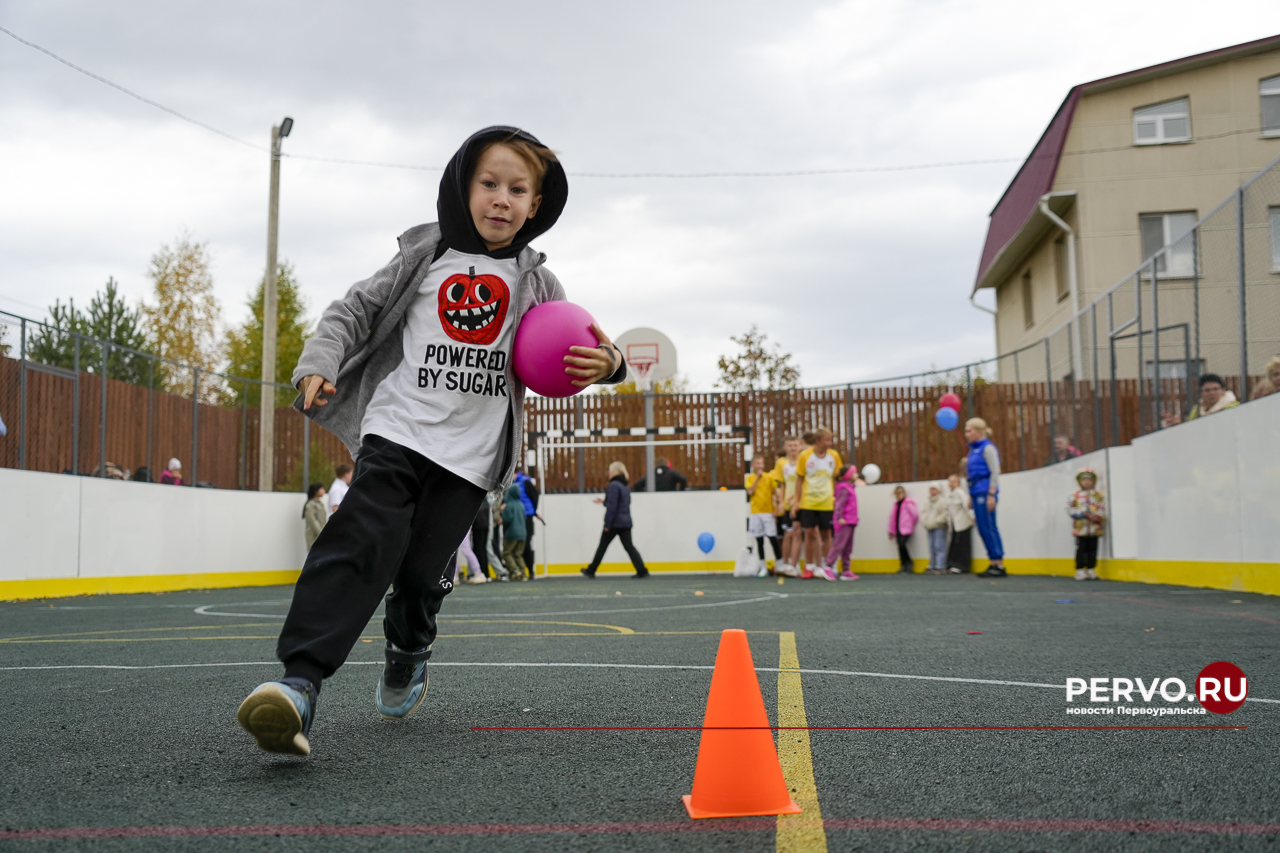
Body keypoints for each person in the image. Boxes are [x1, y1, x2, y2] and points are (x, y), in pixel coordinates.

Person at [235, 127, 627, 756]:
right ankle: (300, 683)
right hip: (397, 429)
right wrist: (320, 359)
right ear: (462, 187)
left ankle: (409, 647)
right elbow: (352, 310)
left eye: (517, 189)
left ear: (535, 205)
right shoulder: (425, 255)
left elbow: (588, 342)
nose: (501, 198)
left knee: (420, 577)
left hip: (468, 462)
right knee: (359, 538)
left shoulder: (538, 285)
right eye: (489, 183)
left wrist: (608, 364)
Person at [581, 461, 648, 578]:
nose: (609, 472)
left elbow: (612, 507)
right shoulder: (624, 485)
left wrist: (607, 524)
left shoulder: (613, 485)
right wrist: (604, 501)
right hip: (626, 522)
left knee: (602, 546)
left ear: (613, 471)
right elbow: (622, 503)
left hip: (614, 523)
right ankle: (642, 570)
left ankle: (591, 570)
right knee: (629, 547)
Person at [794, 427, 842, 581]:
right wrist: (796, 501)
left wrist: (837, 498)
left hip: (827, 501)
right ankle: (809, 567)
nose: (830, 443)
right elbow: (799, 479)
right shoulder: (805, 456)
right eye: (827, 440)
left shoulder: (834, 456)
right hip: (808, 501)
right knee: (808, 533)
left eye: (830, 439)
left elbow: (837, 478)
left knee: (827, 534)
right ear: (817, 441)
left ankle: (828, 566)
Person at [965, 418, 1006, 577]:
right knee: (982, 528)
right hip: (976, 491)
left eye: (969, 431)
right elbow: (971, 474)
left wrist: (991, 494)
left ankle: (999, 564)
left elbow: (995, 471)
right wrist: (970, 496)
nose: (967, 434)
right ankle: (992, 562)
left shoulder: (988, 448)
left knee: (989, 526)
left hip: (985, 491)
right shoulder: (973, 450)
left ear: (979, 431)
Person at [1067, 467, 1107, 581]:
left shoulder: (1098, 496)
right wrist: (1082, 513)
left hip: (1094, 528)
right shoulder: (1075, 495)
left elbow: (1103, 509)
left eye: (1089, 479)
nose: (1086, 482)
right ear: (1079, 481)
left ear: (1093, 481)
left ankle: (1091, 568)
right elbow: (1069, 509)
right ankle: (1080, 569)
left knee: (1093, 549)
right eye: (1083, 480)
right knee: (1081, 548)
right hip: (1081, 528)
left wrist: (1097, 516)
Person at [772, 437, 803, 576]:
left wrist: (797, 497)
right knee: (788, 534)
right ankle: (786, 563)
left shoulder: (804, 461)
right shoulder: (781, 463)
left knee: (798, 533)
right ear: (785, 447)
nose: (792, 448)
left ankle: (794, 564)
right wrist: (781, 503)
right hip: (787, 504)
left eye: (795, 445)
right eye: (790, 445)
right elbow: (782, 484)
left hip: (802, 502)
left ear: (800, 447)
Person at [1162, 373, 1240, 425]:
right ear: (1200, 393)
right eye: (1207, 390)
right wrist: (1178, 425)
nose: (1212, 393)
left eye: (1216, 389)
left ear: (1223, 391)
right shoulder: (1197, 410)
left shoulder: (1233, 408)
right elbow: (1191, 430)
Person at [825, 464, 859, 581]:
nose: (857, 475)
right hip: (843, 522)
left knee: (848, 547)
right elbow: (839, 504)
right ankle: (828, 567)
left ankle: (846, 570)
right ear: (848, 475)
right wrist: (839, 517)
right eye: (854, 473)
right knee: (839, 545)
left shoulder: (850, 487)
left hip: (851, 522)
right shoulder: (843, 488)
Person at [744, 456, 780, 568]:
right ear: (752, 465)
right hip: (755, 513)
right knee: (759, 541)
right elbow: (750, 491)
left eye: (761, 463)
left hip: (768, 512)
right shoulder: (749, 478)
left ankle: (779, 563)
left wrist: (777, 508)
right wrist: (757, 478)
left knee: (772, 538)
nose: (760, 466)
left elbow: (775, 493)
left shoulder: (769, 477)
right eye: (757, 463)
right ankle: (762, 566)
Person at [945, 473, 975, 574]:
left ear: (958, 483)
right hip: (954, 525)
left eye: (953, 481)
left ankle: (961, 566)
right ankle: (952, 564)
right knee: (954, 544)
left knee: (962, 545)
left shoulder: (960, 493)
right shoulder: (949, 495)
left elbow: (967, 505)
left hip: (963, 523)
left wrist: (972, 517)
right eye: (950, 481)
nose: (951, 483)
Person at [500, 483, 531, 581]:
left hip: (512, 533)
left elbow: (507, 520)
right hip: (523, 534)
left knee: (506, 553)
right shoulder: (521, 505)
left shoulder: (509, 506)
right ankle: (523, 573)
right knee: (518, 554)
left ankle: (515, 570)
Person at [513, 467, 540, 573]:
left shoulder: (524, 481)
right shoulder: (515, 482)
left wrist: (533, 511)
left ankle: (530, 569)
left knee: (526, 542)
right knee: (520, 543)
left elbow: (535, 495)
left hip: (527, 515)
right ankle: (522, 569)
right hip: (519, 516)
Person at [886, 485, 919, 573]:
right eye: (896, 494)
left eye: (900, 493)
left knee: (902, 544)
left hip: (905, 529)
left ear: (904, 493)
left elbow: (915, 515)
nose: (898, 495)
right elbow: (892, 518)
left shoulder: (908, 503)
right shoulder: (896, 505)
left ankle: (908, 562)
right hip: (897, 529)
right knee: (899, 547)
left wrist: (910, 524)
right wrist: (891, 531)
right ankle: (903, 564)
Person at [919, 482, 950, 573]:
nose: (933, 491)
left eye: (934, 489)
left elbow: (944, 514)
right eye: (931, 489)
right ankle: (932, 565)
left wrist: (936, 522)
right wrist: (925, 522)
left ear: (939, 490)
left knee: (939, 546)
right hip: (929, 526)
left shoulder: (942, 501)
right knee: (932, 546)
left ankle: (940, 565)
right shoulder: (927, 501)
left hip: (939, 527)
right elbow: (924, 512)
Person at [303, 483, 327, 550]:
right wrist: (321, 533)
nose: (324, 491)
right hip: (314, 536)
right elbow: (313, 521)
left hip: (321, 536)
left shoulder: (320, 504)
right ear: (316, 491)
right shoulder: (310, 505)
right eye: (321, 489)